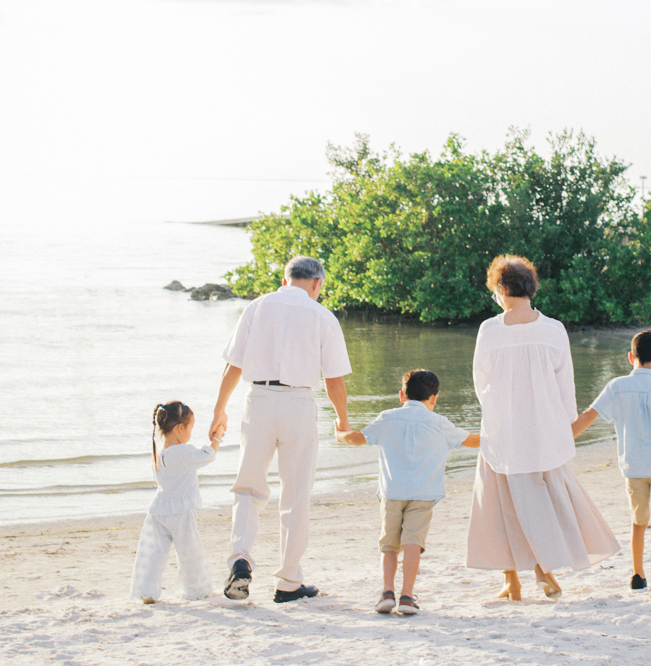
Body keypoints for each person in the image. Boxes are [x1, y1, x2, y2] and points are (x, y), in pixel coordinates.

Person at [466, 256, 620, 601]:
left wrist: (499, 414)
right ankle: (535, 572)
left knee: (500, 503)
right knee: (540, 501)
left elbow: (481, 384)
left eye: (495, 290)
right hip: (543, 430)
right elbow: (566, 384)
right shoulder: (553, 328)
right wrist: (562, 424)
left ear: (502, 289)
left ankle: (518, 579)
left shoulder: (490, 329)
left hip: (503, 428)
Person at [210, 256, 352, 603]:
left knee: (248, 487)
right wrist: (343, 421)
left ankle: (241, 559)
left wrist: (218, 412)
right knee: (296, 494)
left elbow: (233, 367)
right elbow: (334, 381)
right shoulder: (322, 316)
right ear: (317, 283)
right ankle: (289, 581)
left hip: (257, 399)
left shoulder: (256, 307)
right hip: (298, 404)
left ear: (285, 279)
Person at [335, 370, 480, 615]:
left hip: (392, 492)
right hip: (423, 494)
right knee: (413, 543)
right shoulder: (440, 423)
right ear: (434, 398)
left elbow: (357, 438)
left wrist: (340, 434)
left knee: (389, 545)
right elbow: (473, 441)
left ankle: (387, 592)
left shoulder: (387, 418)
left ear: (402, 395)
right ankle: (406, 596)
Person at [572, 330, 651, 598]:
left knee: (639, 523)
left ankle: (638, 576)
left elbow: (589, 415)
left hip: (634, 468)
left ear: (630, 357)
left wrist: (563, 440)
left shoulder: (617, 386)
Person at [131, 401, 220, 603]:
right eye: (190, 427)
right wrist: (217, 437)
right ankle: (197, 589)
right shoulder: (182, 451)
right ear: (180, 428)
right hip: (181, 511)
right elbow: (207, 456)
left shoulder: (159, 453)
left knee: (152, 555)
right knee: (190, 553)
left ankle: (147, 591)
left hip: (159, 510)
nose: (190, 432)